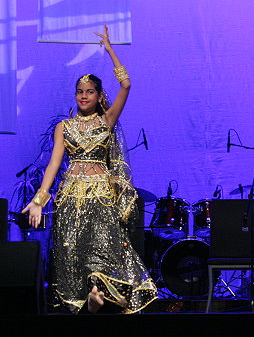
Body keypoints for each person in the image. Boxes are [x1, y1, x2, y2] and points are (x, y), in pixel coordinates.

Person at [22, 26, 157, 314]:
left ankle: (99, 291)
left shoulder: (106, 120)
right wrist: (39, 200)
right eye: (80, 92)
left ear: (98, 95)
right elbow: (54, 163)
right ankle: (87, 300)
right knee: (72, 250)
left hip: (101, 197)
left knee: (103, 247)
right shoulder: (64, 127)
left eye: (90, 92)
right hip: (71, 197)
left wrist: (110, 49)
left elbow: (126, 85)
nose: (84, 96)